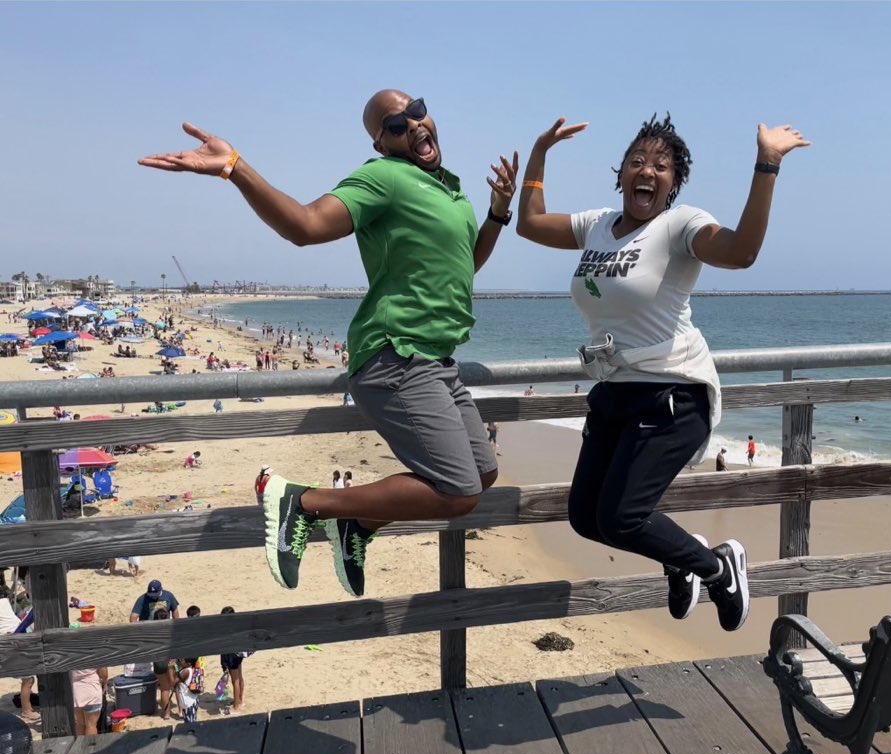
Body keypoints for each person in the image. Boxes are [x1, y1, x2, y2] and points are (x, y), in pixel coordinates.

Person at [140, 90, 519, 599]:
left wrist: (497, 214)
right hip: (398, 356)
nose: (414, 124)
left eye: (418, 109)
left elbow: (465, 267)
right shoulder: (384, 178)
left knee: (484, 472)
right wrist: (235, 167)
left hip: (437, 361)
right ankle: (306, 502)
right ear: (381, 143)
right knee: (459, 491)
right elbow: (305, 225)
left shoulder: (450, 191)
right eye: (396, 123)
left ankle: (356, 526)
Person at [517, 113, 809, 632]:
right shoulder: (597, 226)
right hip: (613, 393)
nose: (647, 170)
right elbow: (530, 223)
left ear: (674, 183)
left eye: (661, 166)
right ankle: (682, 556)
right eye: (637, 161)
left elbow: (742, 253)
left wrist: (767, 164)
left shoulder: (679, 226)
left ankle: (717, 567)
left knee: (622, 518)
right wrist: (540, 153)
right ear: (621, 174)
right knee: (586, 518)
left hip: (672, 395)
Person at [1, 588, 37, 722]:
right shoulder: (4, 601)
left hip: (14, 638)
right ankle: (26, 710)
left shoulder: (5, 602)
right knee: (28, 678)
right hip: (12, 641)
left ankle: (27, 699)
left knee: (27, 677)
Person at [218, 606, 247, 714]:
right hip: (238, 654)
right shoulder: (237, 626)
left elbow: (223, 647)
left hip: (231, 655)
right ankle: (240, 700)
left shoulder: (225, 629)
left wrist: (223, 663)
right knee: (239, 676)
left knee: (235, 680)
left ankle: (236, 706)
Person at [71, 666, 108, 735]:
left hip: (76, 691)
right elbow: (104, 673)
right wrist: (105, 683)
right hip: (92, 689)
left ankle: (79, 745)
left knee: (80, 724)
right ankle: (89, 745)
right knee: (91, 725)